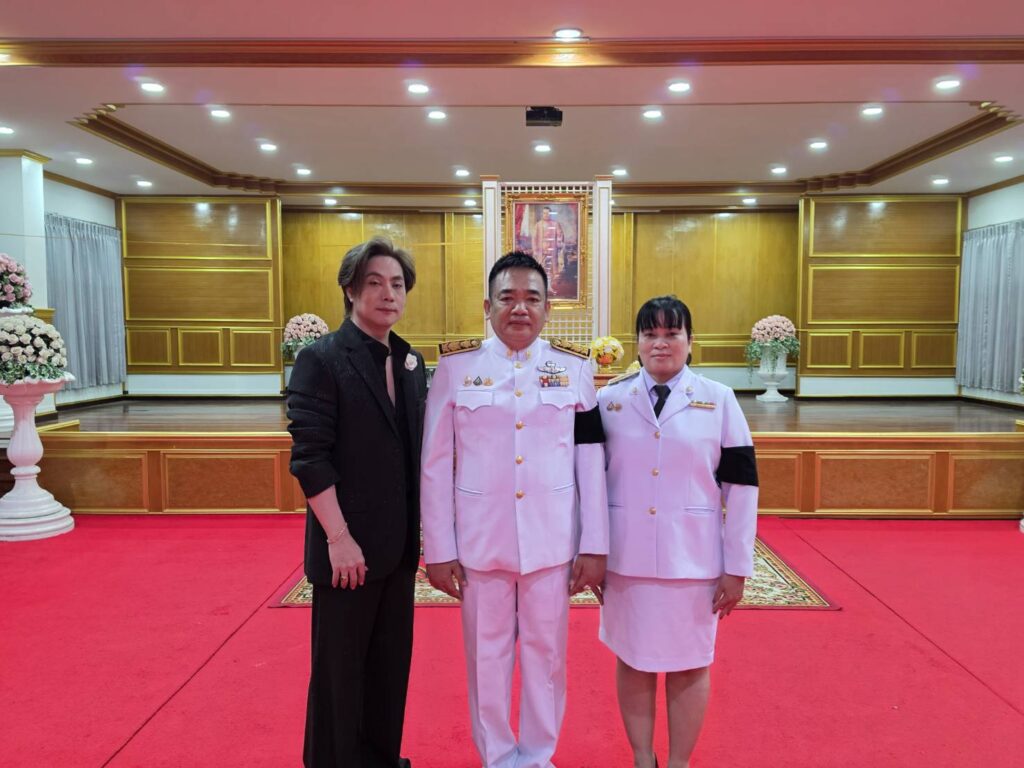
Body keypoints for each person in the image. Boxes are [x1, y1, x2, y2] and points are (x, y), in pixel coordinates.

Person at [420, 251, 608, 768]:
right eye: (508, 298)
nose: (519, 308)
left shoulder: (575, 367)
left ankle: (540, 756)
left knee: (547, 659)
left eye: (532, 299)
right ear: (488, 306)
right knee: (487, 659)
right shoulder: (457, 368)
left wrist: (594, 543)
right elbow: (434, 463)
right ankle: (498, 757)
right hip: (481, 543)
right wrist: (439, 548)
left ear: (548, 308)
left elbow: (591, 461)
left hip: (552, 542)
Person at [596, 295, 758, 768]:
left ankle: (680, 762)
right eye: (650, 334)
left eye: (672, 334)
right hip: (625, 559)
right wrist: (591, 552)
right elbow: (588, 481)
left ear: (691, 341)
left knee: (690, 663)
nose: (661, 344)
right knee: (633, 659)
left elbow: (742, 487)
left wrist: (737, 566)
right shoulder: (609, 401)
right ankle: (642, 758)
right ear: (636, 342)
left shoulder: (719, 400)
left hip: (693, 560)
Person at [286, 236, 427, 768]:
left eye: (397, 284)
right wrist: (339, 539)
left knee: (389, 671)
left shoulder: (409, 360)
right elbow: (310, 458)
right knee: (339, 678)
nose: (389, 294)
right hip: (346, 550)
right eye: (375, 283)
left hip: (397, 550)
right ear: (350, 289)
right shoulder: (321, 359)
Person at [531, 206, 565, 285]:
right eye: (544, 213)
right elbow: (534, 238)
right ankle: (541, 282)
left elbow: (560, 235)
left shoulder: (555, 224)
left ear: (550, 214)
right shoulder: (538, 225)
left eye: (548, 213)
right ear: (542, 214)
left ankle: (553, 283)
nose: (546, 215)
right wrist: (535, 250)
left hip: (553, 250)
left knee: (554, 268)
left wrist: (559, 243)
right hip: (541, 250)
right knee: (540, 267)